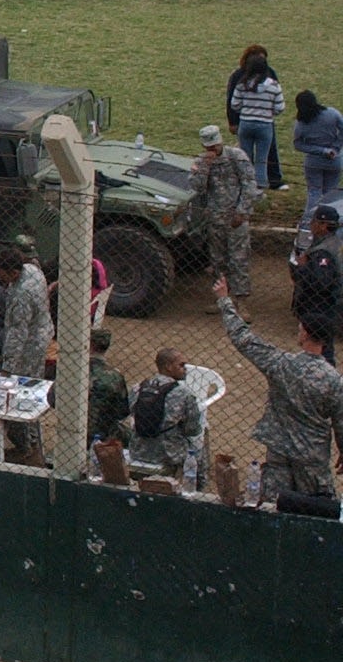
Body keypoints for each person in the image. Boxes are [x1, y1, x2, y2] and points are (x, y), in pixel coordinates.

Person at [218, 276, 343, 501]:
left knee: (275, 506)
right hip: (312, 457)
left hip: (279, 453)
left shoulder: (280, 364)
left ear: (304, 334)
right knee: (316, 509)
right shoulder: (334, 381)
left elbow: (243, 338)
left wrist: (225, 301)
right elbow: (340, 422)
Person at [191, 125, 258, 298]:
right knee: (218, 261)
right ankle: (223, 297)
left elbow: (249, 185)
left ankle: (240, 299)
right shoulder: (201, 162)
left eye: (215, 145)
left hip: (235, 217)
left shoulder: (237, 157)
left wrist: (242, 212)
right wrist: (205, 166)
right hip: (215, 218)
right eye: (209, 147)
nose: (213, 149)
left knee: (239, 259)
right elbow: (197, 187)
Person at [129, 346, 203, 475]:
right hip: (169, 454)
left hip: (138, 451)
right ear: (168, 366)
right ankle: (197, 489)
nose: (185, 369)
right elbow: (192, 429)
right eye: (181, 365)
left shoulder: (138, 387)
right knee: (198, 451)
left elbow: (130, 413)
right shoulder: (183, 394)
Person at [225, 45, 285, 190]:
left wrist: (242, 113)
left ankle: (245, 185)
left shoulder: (241, 83)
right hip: (265, 125)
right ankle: (261, 186)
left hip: (245, 123)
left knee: (245, 158)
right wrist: (268, 112)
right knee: (262, 159)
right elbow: (280, 107)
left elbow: (234, 104)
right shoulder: (273, 85)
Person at [292, 204, 342, 362]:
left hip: (320, 306)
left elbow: (321, 283)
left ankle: (325, 380)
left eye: (314, 221)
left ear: (323, 225)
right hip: (328, 305)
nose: (311, 224)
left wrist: (302, 268)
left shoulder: (323, 252)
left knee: (321, 348)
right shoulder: (334, 243)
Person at [292, 90, 343, 205]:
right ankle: (329, 220)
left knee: (313, 193)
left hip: (313, 161)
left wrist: (321, 151)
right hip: (335, 159)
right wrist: (335, 148)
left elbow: (298, 144)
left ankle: (308, 221)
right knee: (331, 193)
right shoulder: (332, 113)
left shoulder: (301, 123)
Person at [83, 328, 132, 445]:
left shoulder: (72, 369)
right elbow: (123, 411)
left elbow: (52, 399)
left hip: (71, 428)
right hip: (104, 432)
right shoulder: (115, 375)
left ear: (89, 344)